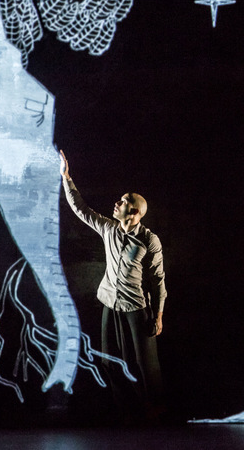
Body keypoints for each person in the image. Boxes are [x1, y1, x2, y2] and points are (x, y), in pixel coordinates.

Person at [59, 149, 166, 421]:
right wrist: (66, 178)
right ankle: (128, 412)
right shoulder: (108, 228)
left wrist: (159, 314)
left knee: (146, 366)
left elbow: (158, 279)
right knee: (108, 362)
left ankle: (155, 412)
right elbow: (80, 209)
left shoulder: (149, 240)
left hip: (136, 306)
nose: (115, 204)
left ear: (134, 212)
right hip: (109, 302)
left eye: (122, 202)